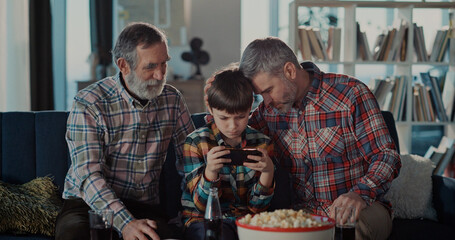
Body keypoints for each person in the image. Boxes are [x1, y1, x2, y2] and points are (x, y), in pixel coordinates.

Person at [205, 37, 401, 240]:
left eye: (268, 90)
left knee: (346, 228)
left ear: (289, 71)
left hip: (361, 209)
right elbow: (232, 130)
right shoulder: (267, 113)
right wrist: (217, 103)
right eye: (260, 95)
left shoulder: (351, 94)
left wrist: (360, 193)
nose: (267, 101)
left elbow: (386, 156)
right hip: (300, 217)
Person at [55, 22, 195, 240]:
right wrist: (126, 224)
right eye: (150, 67)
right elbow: (89, 177)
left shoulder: (173, 99)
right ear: (123, 65)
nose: (160, 75)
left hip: (143, 206)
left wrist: (196, 211)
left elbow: (191, 161)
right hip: (86, 204)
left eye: (164, 64)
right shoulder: (89, 103)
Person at [182, 66, 275, 240]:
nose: (232, 126)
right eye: (223, 118)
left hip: (246, 220)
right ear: (210, 110)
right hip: (203, 220)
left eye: (240, 117)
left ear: (250, 108)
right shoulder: (195, 142)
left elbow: (257, 209)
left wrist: (268, 172)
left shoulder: (262, 143)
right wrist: (210, 172)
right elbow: (201, 206)